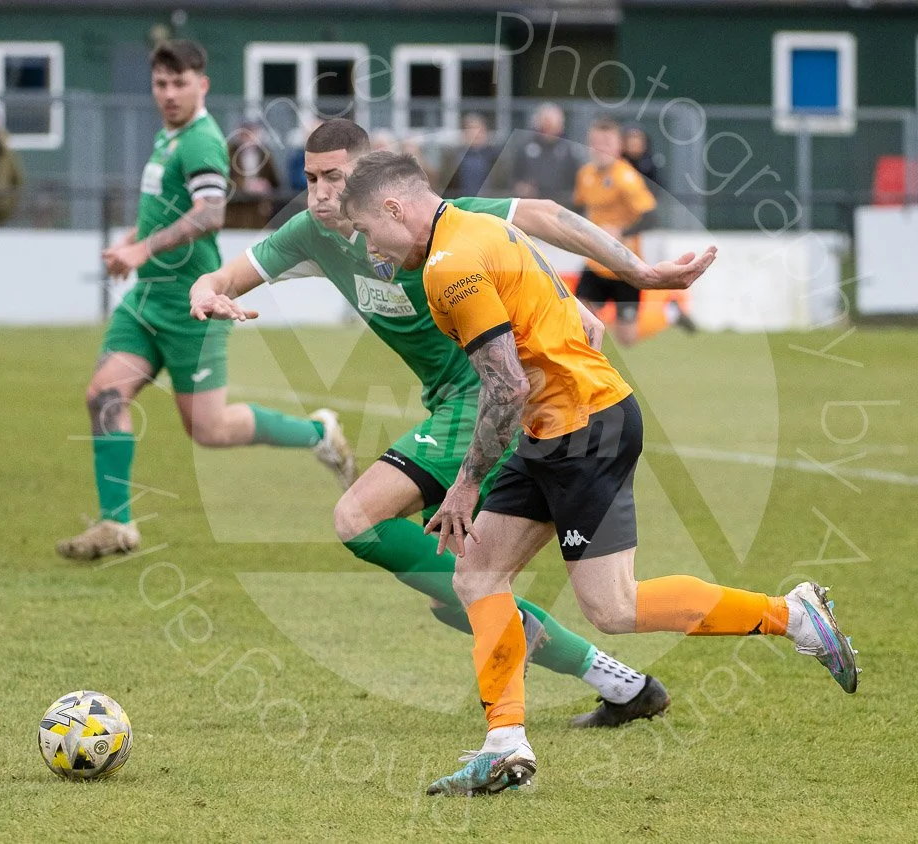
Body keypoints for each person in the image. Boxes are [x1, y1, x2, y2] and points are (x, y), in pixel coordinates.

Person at [340, 151, 860, 796]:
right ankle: (504, 745)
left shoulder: (450, 264)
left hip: (583, 430)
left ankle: (792, 614)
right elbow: (554, 306)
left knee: (613, 607)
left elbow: (505, 387)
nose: (368, 248)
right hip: (552, 428)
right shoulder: (478, 227)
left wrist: (466, 484)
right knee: (477, 575)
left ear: (394, 208)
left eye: (365, 230)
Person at [190, 118, 730, 728]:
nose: (319, 193)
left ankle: (530, 723)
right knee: (455, 595)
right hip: (451, 404)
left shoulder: (436, 220)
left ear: (371, 177)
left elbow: (546, 216)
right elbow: (224, 275)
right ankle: (622, 686)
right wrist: (206, 292)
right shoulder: (312, 234)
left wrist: (638, 274)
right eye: (311, 179)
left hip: (490, 402)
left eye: (334, 178)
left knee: (359, 519)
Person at [55, 40, 353, 562]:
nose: (169, 93)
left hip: (192, 305)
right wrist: (134, 239)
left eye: (180, 83)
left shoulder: (201, 142)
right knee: (104, 395)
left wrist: (143, 249)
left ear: (203, 84)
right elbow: (165, 209)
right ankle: (117, 524)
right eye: (161, 83)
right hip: (146, 300)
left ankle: (318, 433)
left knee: (208, 430)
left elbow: (211, 212)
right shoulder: (168, 137)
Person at [573, 116, 659, 347]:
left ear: (618, 146)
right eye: (595, 143)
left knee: (626, 339)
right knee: (577, 321)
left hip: (625, 267)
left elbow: (651, 217)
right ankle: (590, 358)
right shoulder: (585, 175)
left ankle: (666, 316)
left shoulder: (627, 177)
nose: (600, 148)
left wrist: (621, 232)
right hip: (596, 263)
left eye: (606, 143)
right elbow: (577, 206)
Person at [509, 102, 578, 205]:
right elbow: (513, 178)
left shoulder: (570, 150)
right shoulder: (525, 148)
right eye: (545, 124)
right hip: (532, 203)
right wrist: (521, 188)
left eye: (552, 125)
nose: (548, 129)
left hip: (560, 205)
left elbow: (577, 182)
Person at [224, 120, 279, 229]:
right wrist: (246, 184)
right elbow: (224, 178)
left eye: (252, 133)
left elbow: (274, 181)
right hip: (236, 208)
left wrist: (264, 186)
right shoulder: (229, 152)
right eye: (245, 135)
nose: (249, 138)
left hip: (258, 209)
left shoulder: (265, 153)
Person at [446, 112, 498, 197]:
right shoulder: (452, 157)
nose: (476, 133)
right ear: (464, 133)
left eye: (479, 129)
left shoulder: (495, 156)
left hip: (489, 201)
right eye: (471, 129)